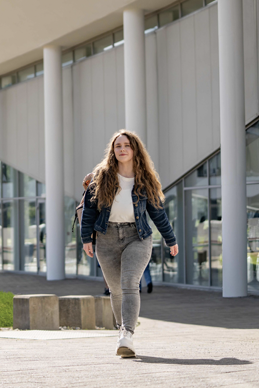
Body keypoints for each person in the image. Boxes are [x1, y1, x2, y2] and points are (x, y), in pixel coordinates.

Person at [80, 130, 179, 358]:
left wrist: (170, 238)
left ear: (135, 150)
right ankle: (121, 330)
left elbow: (158, 213)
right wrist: (87, 238)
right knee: (115, 289)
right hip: (106, 237)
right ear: (113, 151)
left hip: (138, 237)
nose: (122, 149)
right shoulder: (101, 177)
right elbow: (89, 211)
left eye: (126, 145)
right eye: (118, 146)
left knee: (129, 282)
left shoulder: (145, 179)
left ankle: (128, 334)